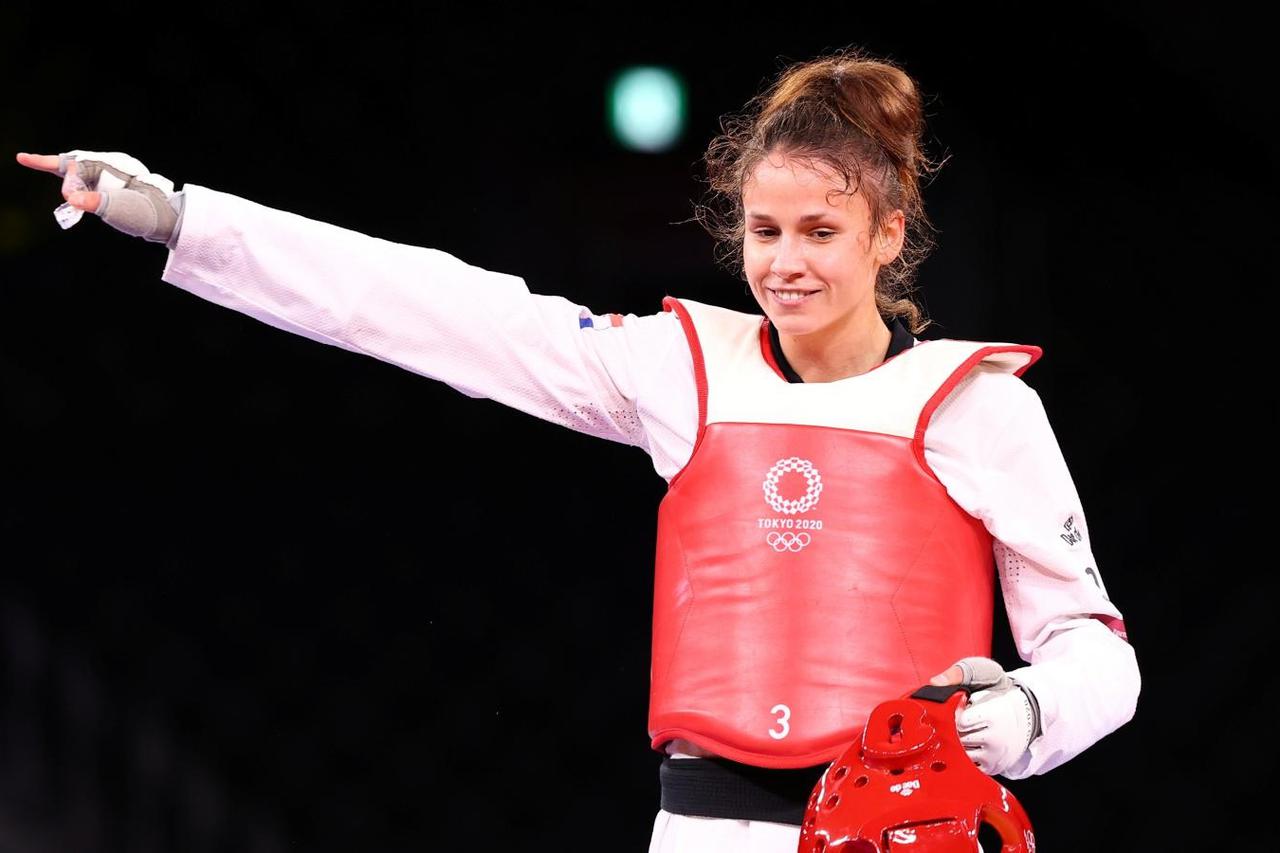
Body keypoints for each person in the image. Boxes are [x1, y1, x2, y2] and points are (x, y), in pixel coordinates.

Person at [17, 46, 1139, 852]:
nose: (783, 261)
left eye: (819, 232)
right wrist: (184, 218)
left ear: (889, 235)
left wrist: (1030, 714)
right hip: (702, 830)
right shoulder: (681, 368)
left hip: (897, 831)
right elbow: (434, 309)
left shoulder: (975, 406)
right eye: (761, 230)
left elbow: (1098, 654)